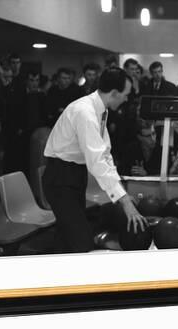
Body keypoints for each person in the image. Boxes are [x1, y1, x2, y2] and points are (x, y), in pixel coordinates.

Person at [43, 68, 148, 253]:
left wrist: (121, 193)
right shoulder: (85, 112)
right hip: (60, 178)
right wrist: (124, 202)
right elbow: (97, 161)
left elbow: (105, 153)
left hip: (75, 175)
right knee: (81, 243)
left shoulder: (99, 109)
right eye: (125, 95)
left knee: (68, 238)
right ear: (114, 93)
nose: (126, 99)